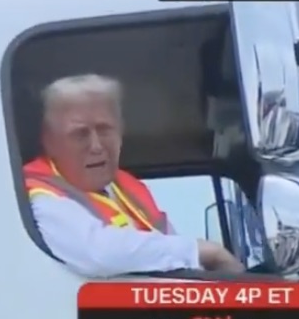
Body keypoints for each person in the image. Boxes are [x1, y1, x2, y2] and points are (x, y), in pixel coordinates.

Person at [24, 74, 244, 278]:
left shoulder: (127, 189)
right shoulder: (40, 196)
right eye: (80, 134)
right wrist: (203, 251)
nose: (96, 146)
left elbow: (176, 255)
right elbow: (99, 253)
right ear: (49, 142)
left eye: (104, 129)